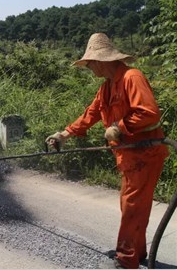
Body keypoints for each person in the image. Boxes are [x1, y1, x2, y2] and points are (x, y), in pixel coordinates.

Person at [46, 33, 169, 269]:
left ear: (101, 60)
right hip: (129, 157)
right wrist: (64, 133)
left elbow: (149, 112)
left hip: (145, 155)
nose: (90, 68)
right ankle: (137, 253)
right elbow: (90, 114)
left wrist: (118, 127)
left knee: (133, 206)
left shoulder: (132, 78)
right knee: (131, 206)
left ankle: (126, 260)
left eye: (90, 63)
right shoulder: (107, 87)